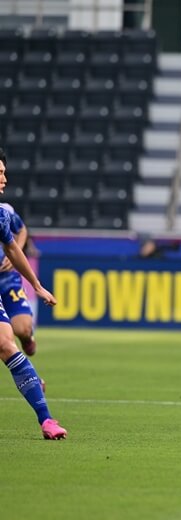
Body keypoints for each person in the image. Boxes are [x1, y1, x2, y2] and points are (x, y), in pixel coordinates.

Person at [0, 148, 66, 439]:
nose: (4, 178)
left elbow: (13, 246)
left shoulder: (3, 214)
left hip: (5, 279)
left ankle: (47, 421)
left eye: (4, 171)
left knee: (10, 339)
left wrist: (37, 286)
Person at [0, 203, 38, 356]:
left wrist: (18, 249)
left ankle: (27, 338)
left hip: (6, 278)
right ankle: (29, 378)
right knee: (4, 340)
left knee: (23, 329)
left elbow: (21, 230)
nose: (4, 180)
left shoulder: (4, 211)